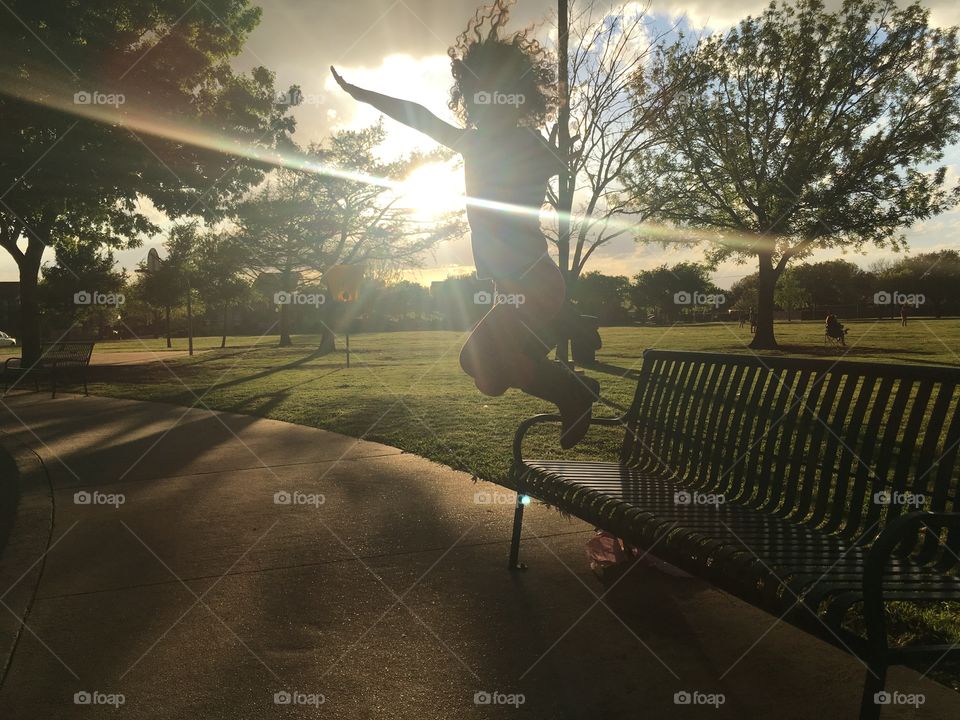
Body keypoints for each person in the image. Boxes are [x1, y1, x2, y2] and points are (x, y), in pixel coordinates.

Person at [331, 0, 598, 448]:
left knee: (480, 363)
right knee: (486, 375)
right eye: (474, 98)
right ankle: (574, 371)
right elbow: (416, 115)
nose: (479, 107)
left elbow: (554, 161)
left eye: (489, 96)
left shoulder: (520, 145)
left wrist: (552, 151)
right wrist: (365, 96)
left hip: (534, 284)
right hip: (515, 288)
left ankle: (574, 391)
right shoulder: (474, 143)